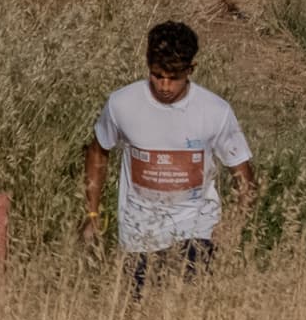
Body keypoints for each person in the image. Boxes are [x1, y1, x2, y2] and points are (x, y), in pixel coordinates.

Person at [86, 19, 253, 295]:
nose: (164, 85)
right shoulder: (121, 104)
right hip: (138, 236)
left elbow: (244, 174)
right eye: (157, 75)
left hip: (197, 232)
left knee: (183, 313)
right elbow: (97, 151)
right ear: (147, 64)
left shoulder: (215, 111)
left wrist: (233, 224)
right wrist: (92, 213)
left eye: (174, 77)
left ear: (191, 70)